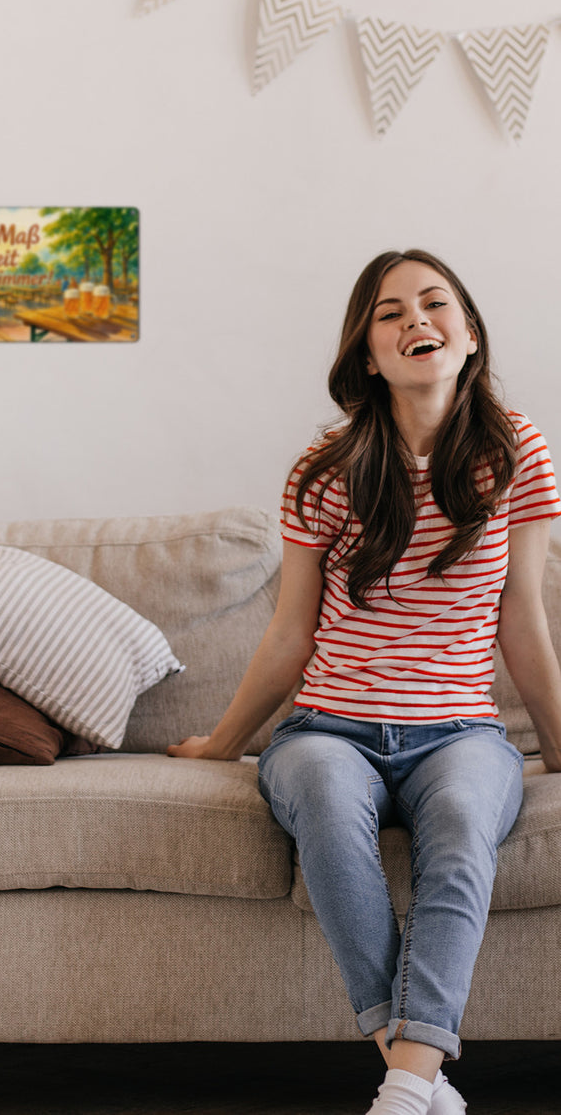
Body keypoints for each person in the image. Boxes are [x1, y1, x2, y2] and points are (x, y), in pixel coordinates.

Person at [168, 249, 561, 1115]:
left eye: (434, 304)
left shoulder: (517, 452)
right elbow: (290, 633)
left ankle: (405, 1086)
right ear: (368, 354)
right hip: (326, 729)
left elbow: (521, 619)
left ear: (468, 339)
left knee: (462, 822)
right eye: (390, 312)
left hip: (460, 734)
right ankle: (418, 1077)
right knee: (323, 805)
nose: (415, 320)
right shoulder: (325, 467)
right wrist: (224, 744)